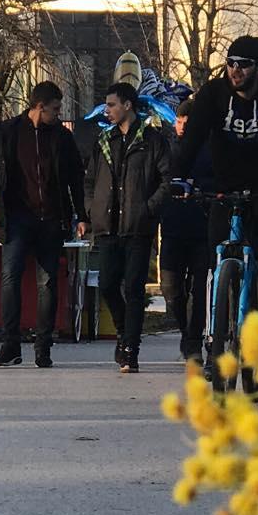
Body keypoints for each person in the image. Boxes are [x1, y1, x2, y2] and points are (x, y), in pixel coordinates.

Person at [172, 34, 258, 390]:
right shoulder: (214, 95)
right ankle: (213, 332)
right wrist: (179, 176)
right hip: (226, 180)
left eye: (244, 65)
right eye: (231, 63)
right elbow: (193, 138)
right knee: (216, 251)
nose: (235, 71)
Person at [0, 81, 85, 368]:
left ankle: (42, 346)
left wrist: (81, 215)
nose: (58, 115)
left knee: (48, 282)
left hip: (51, 218)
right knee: (10, 277)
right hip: (17, 217)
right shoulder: (8, 132)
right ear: (39, 107)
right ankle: (10, 344)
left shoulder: (61, 137)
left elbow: (76, 178)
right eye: (55, 109)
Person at [86, 82, 170, 373]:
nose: (107, 110)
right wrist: (90, 209)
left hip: (137, 227)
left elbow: (167, 179)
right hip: (107, 226)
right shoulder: (104, 140)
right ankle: (123, 332)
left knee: (134, 288)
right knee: (108, 283)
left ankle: (131, 349)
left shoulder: (151, 139)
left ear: (128, 105)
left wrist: (148, 208)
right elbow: (90, 180)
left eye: (111, 105)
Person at [157, 112, 215, 367]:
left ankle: (193, 341)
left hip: (202, 229)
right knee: (171, 288)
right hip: (171, 227)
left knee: (199, 288)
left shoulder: (210, 148)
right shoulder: (166, 148)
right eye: (179, 121)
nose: (183, 126)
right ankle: (185, 331)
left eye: (188, 122)